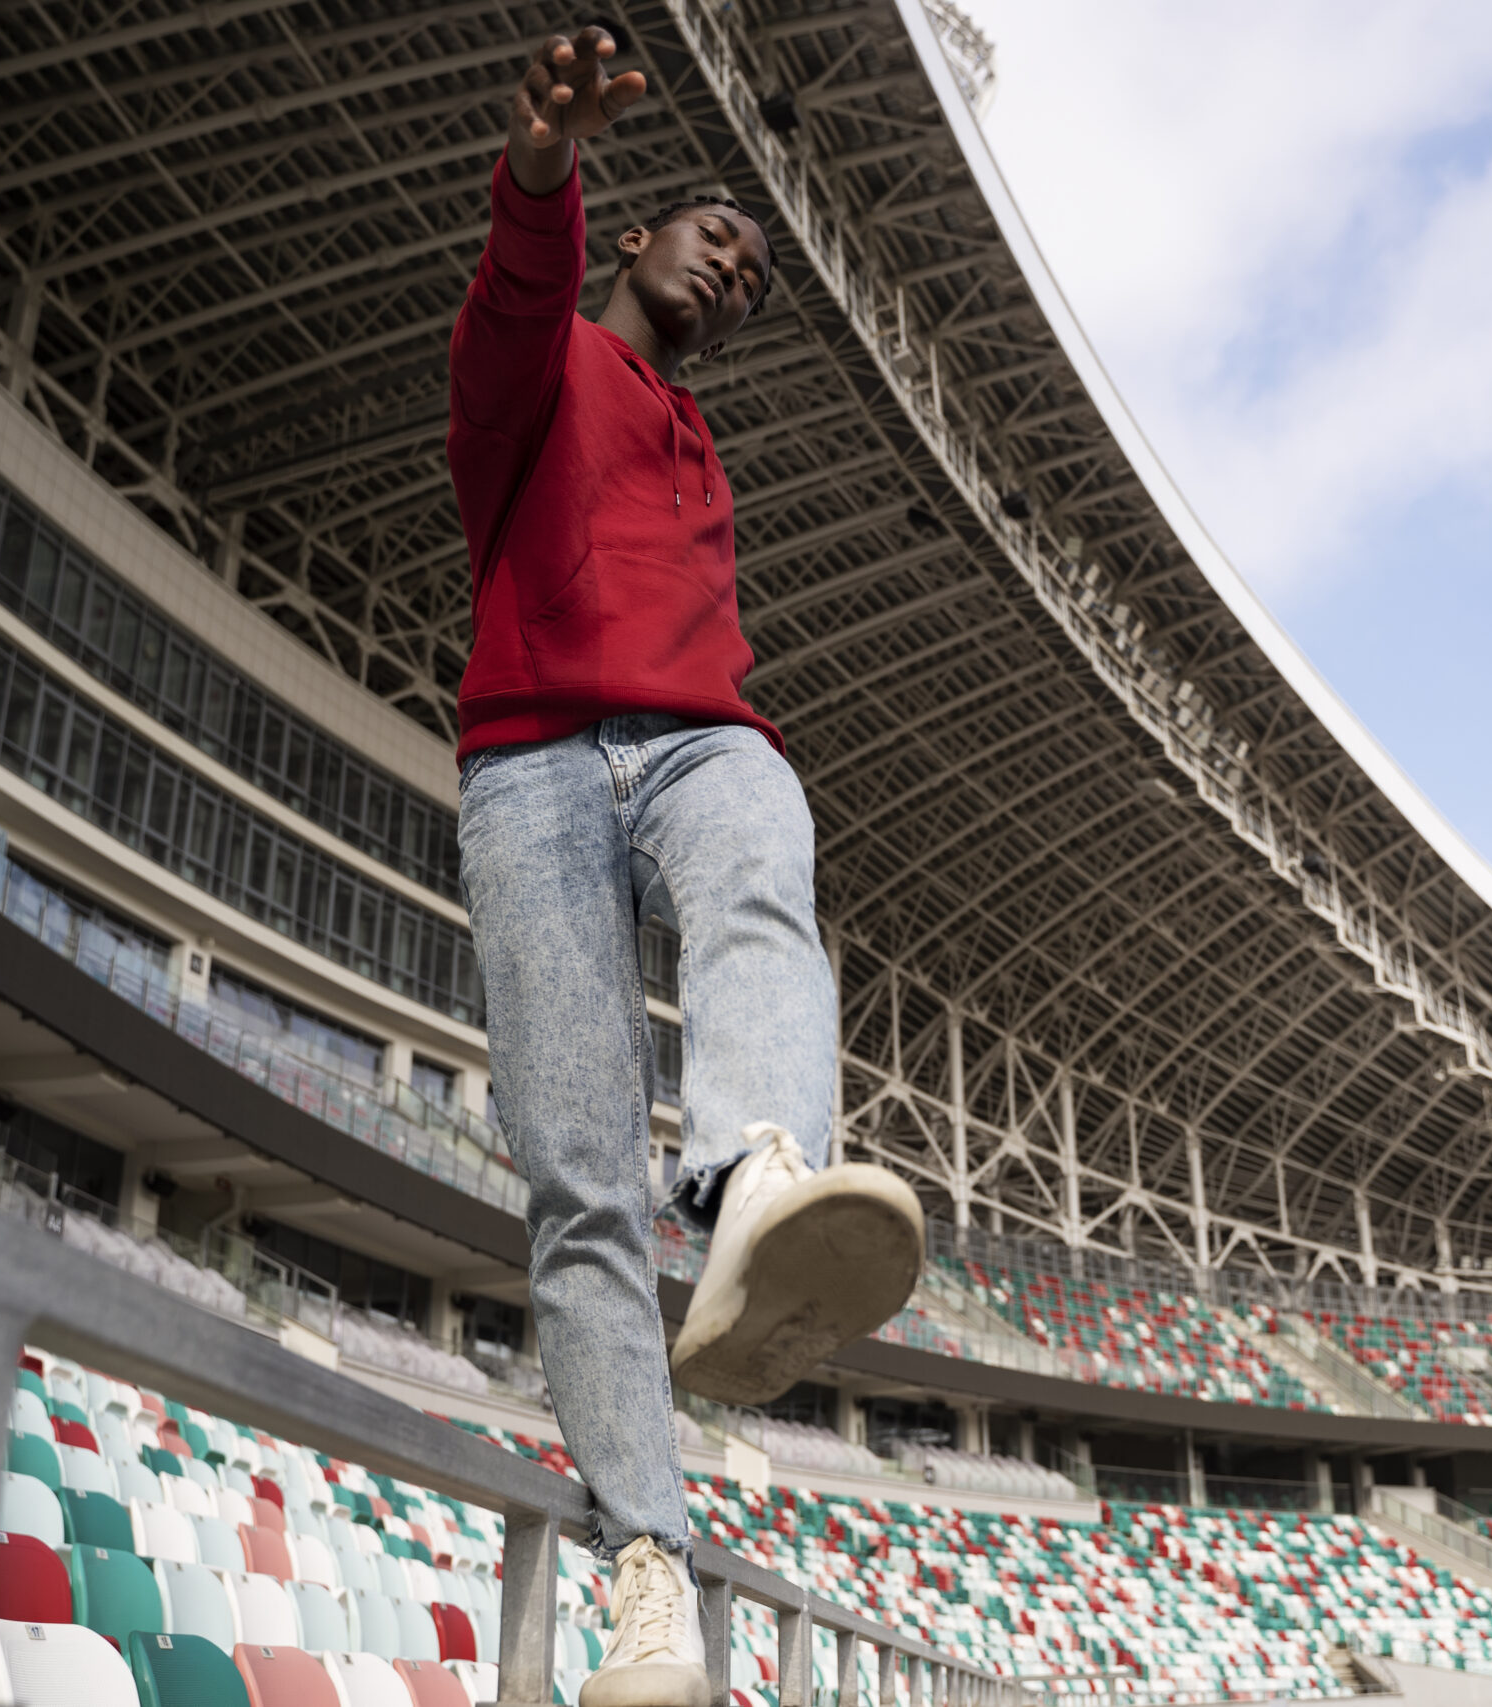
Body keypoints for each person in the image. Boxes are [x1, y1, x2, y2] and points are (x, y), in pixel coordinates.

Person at [445, 24, 924, 1707]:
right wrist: (543, 168)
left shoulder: (701, 451)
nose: (737, 273)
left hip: (697, 738)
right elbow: (515, 302)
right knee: (577, 1180)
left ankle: (759, 1178)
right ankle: (649, 1573)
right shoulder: (546, 368)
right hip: (529, 770)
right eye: (720, 238)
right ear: (641, 235)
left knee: (764, 836)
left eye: (757, 282)